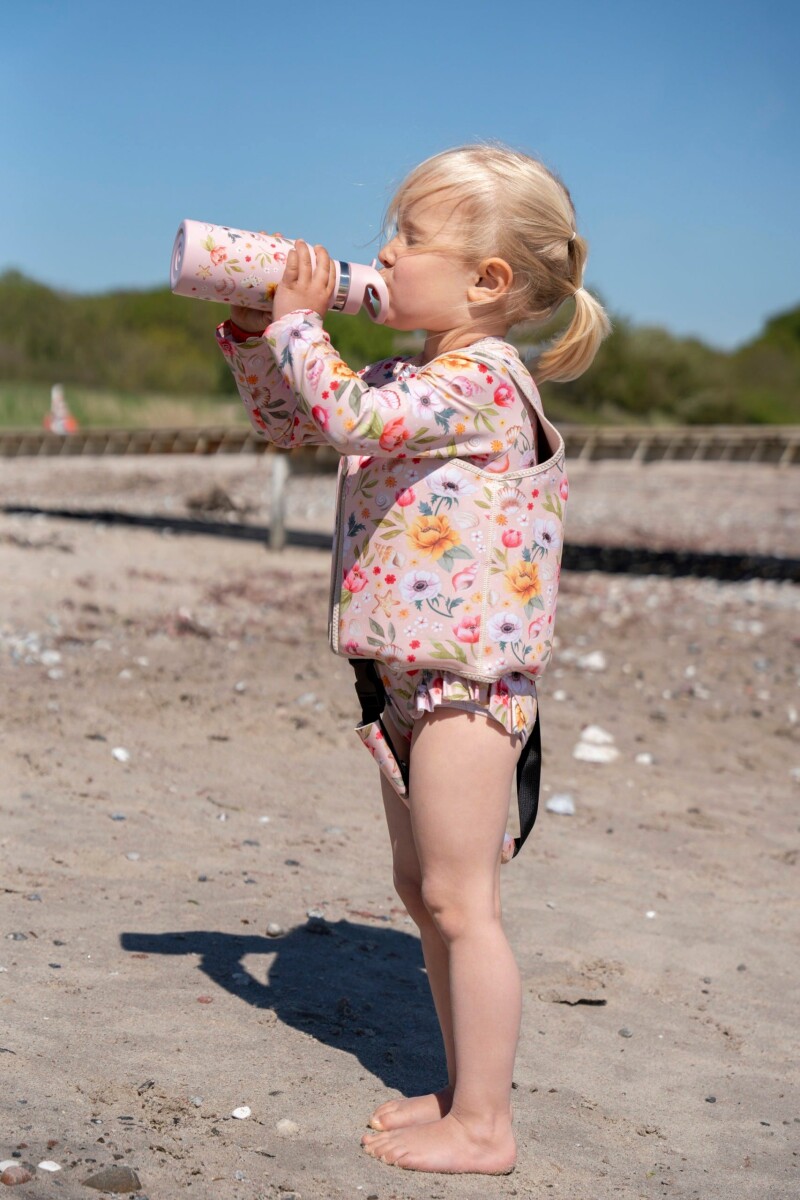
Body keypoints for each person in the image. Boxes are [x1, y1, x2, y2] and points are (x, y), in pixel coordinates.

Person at [216, 144, 610, 1175]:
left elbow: (348, 414)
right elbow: (292, 421)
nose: (383, 253)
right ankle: (462, 1089)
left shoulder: (483, 381)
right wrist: (258, 335)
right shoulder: (414, 376)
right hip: (402, 675)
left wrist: (303, 323)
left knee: (460, 900)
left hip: (466, 685)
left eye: (410, 237)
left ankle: (486, 1125)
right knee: (421, 888)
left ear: (488, 280)